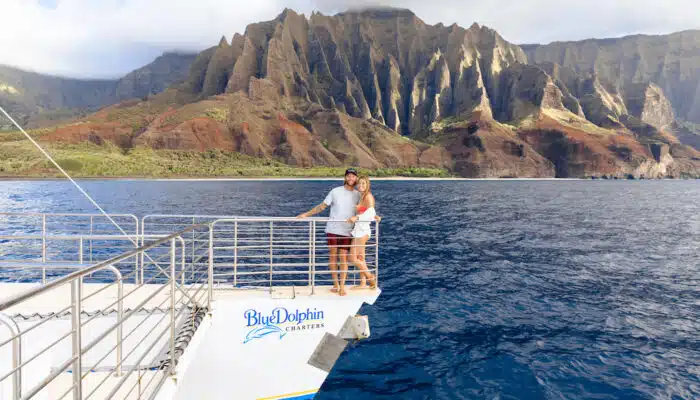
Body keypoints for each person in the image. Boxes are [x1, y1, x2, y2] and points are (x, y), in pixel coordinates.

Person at [297, 168, 360, 296]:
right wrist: (307, 214)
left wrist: (374, 216)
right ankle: (335, 284)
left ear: (356, 178)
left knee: (343, 258)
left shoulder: (358, 194)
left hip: (348, 230)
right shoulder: (335, 191)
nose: (351, 178)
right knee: (332, 257)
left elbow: (364, 210)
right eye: (348, 176)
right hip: (333, 229)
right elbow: (322, 206)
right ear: (345, 177)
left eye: (353, 176)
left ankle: (342, 286)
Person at [347, 176, 377, 289]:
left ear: (367, 185)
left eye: (363, 184)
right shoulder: (362, 196)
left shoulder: (368, 196)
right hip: (358, 231)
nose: (361, 186)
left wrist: (357, 218)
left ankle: (370, 278)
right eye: (359, 184)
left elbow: (371, 211)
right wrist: (376, 216)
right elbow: (371, 212)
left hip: (362, 232)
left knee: (352, 258)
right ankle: (363, 283)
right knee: (360, 258)